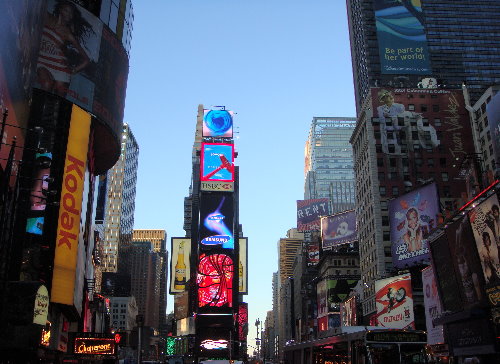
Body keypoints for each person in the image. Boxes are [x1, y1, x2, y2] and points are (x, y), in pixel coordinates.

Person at [36, 0, 92, 96]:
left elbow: (86, 60)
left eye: (71, 13)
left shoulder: (68, 33)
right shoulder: (46, 16)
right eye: (66, 10)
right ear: (60, 9)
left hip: (60, 68)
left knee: (57, 101)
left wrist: (73, 70)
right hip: (41, 60)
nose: (68, 15)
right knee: (47, 84)